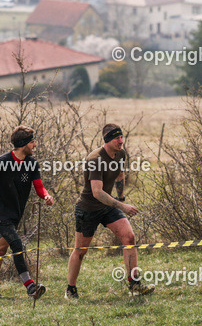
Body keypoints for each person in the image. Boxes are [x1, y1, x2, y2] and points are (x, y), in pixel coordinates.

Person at [66, 123, 155, 299]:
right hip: (88, 209)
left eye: (122, 137)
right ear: (107, 140)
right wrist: (122, 206)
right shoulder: (95, 160)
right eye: (117, 138)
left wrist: (121, 198)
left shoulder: (120, 154)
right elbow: (97, 192)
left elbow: (120, 175)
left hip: (108, 206)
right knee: (81, 251)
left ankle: (134, 284)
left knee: (128, 237)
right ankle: (71, 289)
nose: (121, 141)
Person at [0, 125, 54, 300]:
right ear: (23, 144)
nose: (35, 145)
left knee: (1, 249)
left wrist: (46, 196)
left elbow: (39, 186)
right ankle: (31, 287)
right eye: (32, 142)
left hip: (15, 213)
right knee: (17, 245)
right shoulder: (2, 161)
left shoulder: (31, 164)